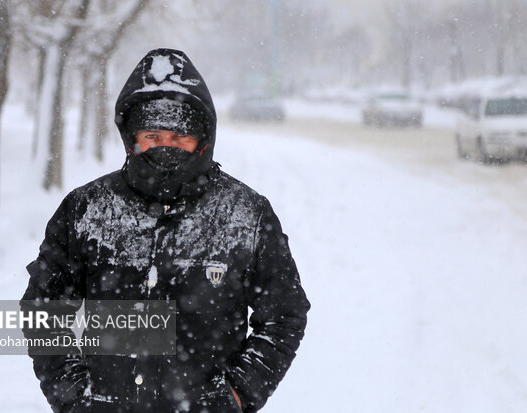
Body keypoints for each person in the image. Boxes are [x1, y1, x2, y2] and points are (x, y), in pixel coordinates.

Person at [20, 48, 310, 413]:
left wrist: (237, 393)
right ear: (132, 138)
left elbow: (284, 314)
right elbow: (43, 309)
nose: (165, 147)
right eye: (153, 136)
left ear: (202, 138)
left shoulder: (246, 214)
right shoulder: (86, 209)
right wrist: (75, 395)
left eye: (179, 137)